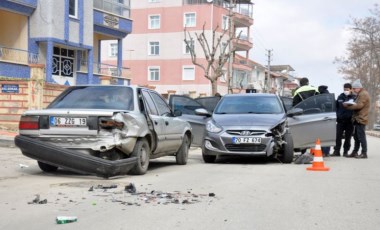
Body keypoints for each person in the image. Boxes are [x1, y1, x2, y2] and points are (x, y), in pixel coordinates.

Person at [343, 79, 370, 159]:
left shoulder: (363, 94)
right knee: (356, 137)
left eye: (354, 88)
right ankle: (355, 152)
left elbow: (359, 106)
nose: (353, 90)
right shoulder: (360, 93)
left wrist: (348, 106)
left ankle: (364, 153)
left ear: (359, 88)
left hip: (361, 118)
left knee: (361, 137)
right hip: (357, 118)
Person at [331, 83, 355, 157]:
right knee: (338, 136)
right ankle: (336, 151)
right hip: (340, 120)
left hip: (349, 121)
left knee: (348, 137)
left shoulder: (354, 97)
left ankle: (345, 151)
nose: (346, 91)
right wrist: (337, 116)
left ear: (351, 89)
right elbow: (336, 107)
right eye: (344, 89)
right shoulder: (340, 96)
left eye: (347, 90)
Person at [317, 85, 331, 157]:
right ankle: (327, 152)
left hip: (322, 118)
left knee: (322, 136)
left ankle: (323, 152)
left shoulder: (321, 96)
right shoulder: (329, 96)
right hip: (329, 118)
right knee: (327, 136)